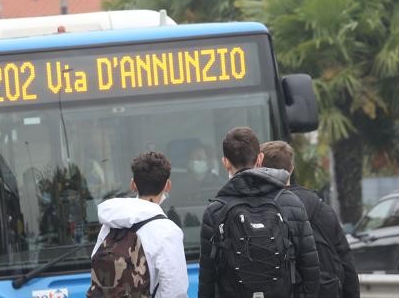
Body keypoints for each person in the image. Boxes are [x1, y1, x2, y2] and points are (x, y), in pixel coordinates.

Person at [199, 127, 321, 298]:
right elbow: (310, 270)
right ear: (260, 158)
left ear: (225, 162)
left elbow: (207, 280)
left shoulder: (215, 211)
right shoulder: (291, 203)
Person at [261, 141, 360, 298]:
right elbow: (346, 264)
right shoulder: (323, 210)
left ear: (259, 169)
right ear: (291, 169)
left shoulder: (255, 212)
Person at [89, 152, 188, 298]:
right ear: (168, 185)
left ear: (133, 184)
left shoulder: (111, 221)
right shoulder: (168, 231)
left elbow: (95, 260)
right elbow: (175, 290)